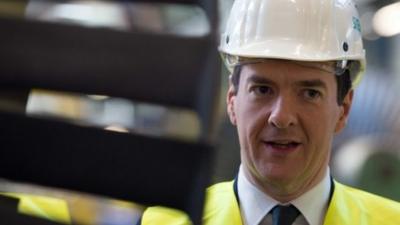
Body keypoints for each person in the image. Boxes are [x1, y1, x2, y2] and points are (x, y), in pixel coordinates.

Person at [140, 0, 400, 224]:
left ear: (343, 110)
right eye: (263, 89)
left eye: (310, 93)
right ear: (232, 100)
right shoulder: (167, 222)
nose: (281, 116)